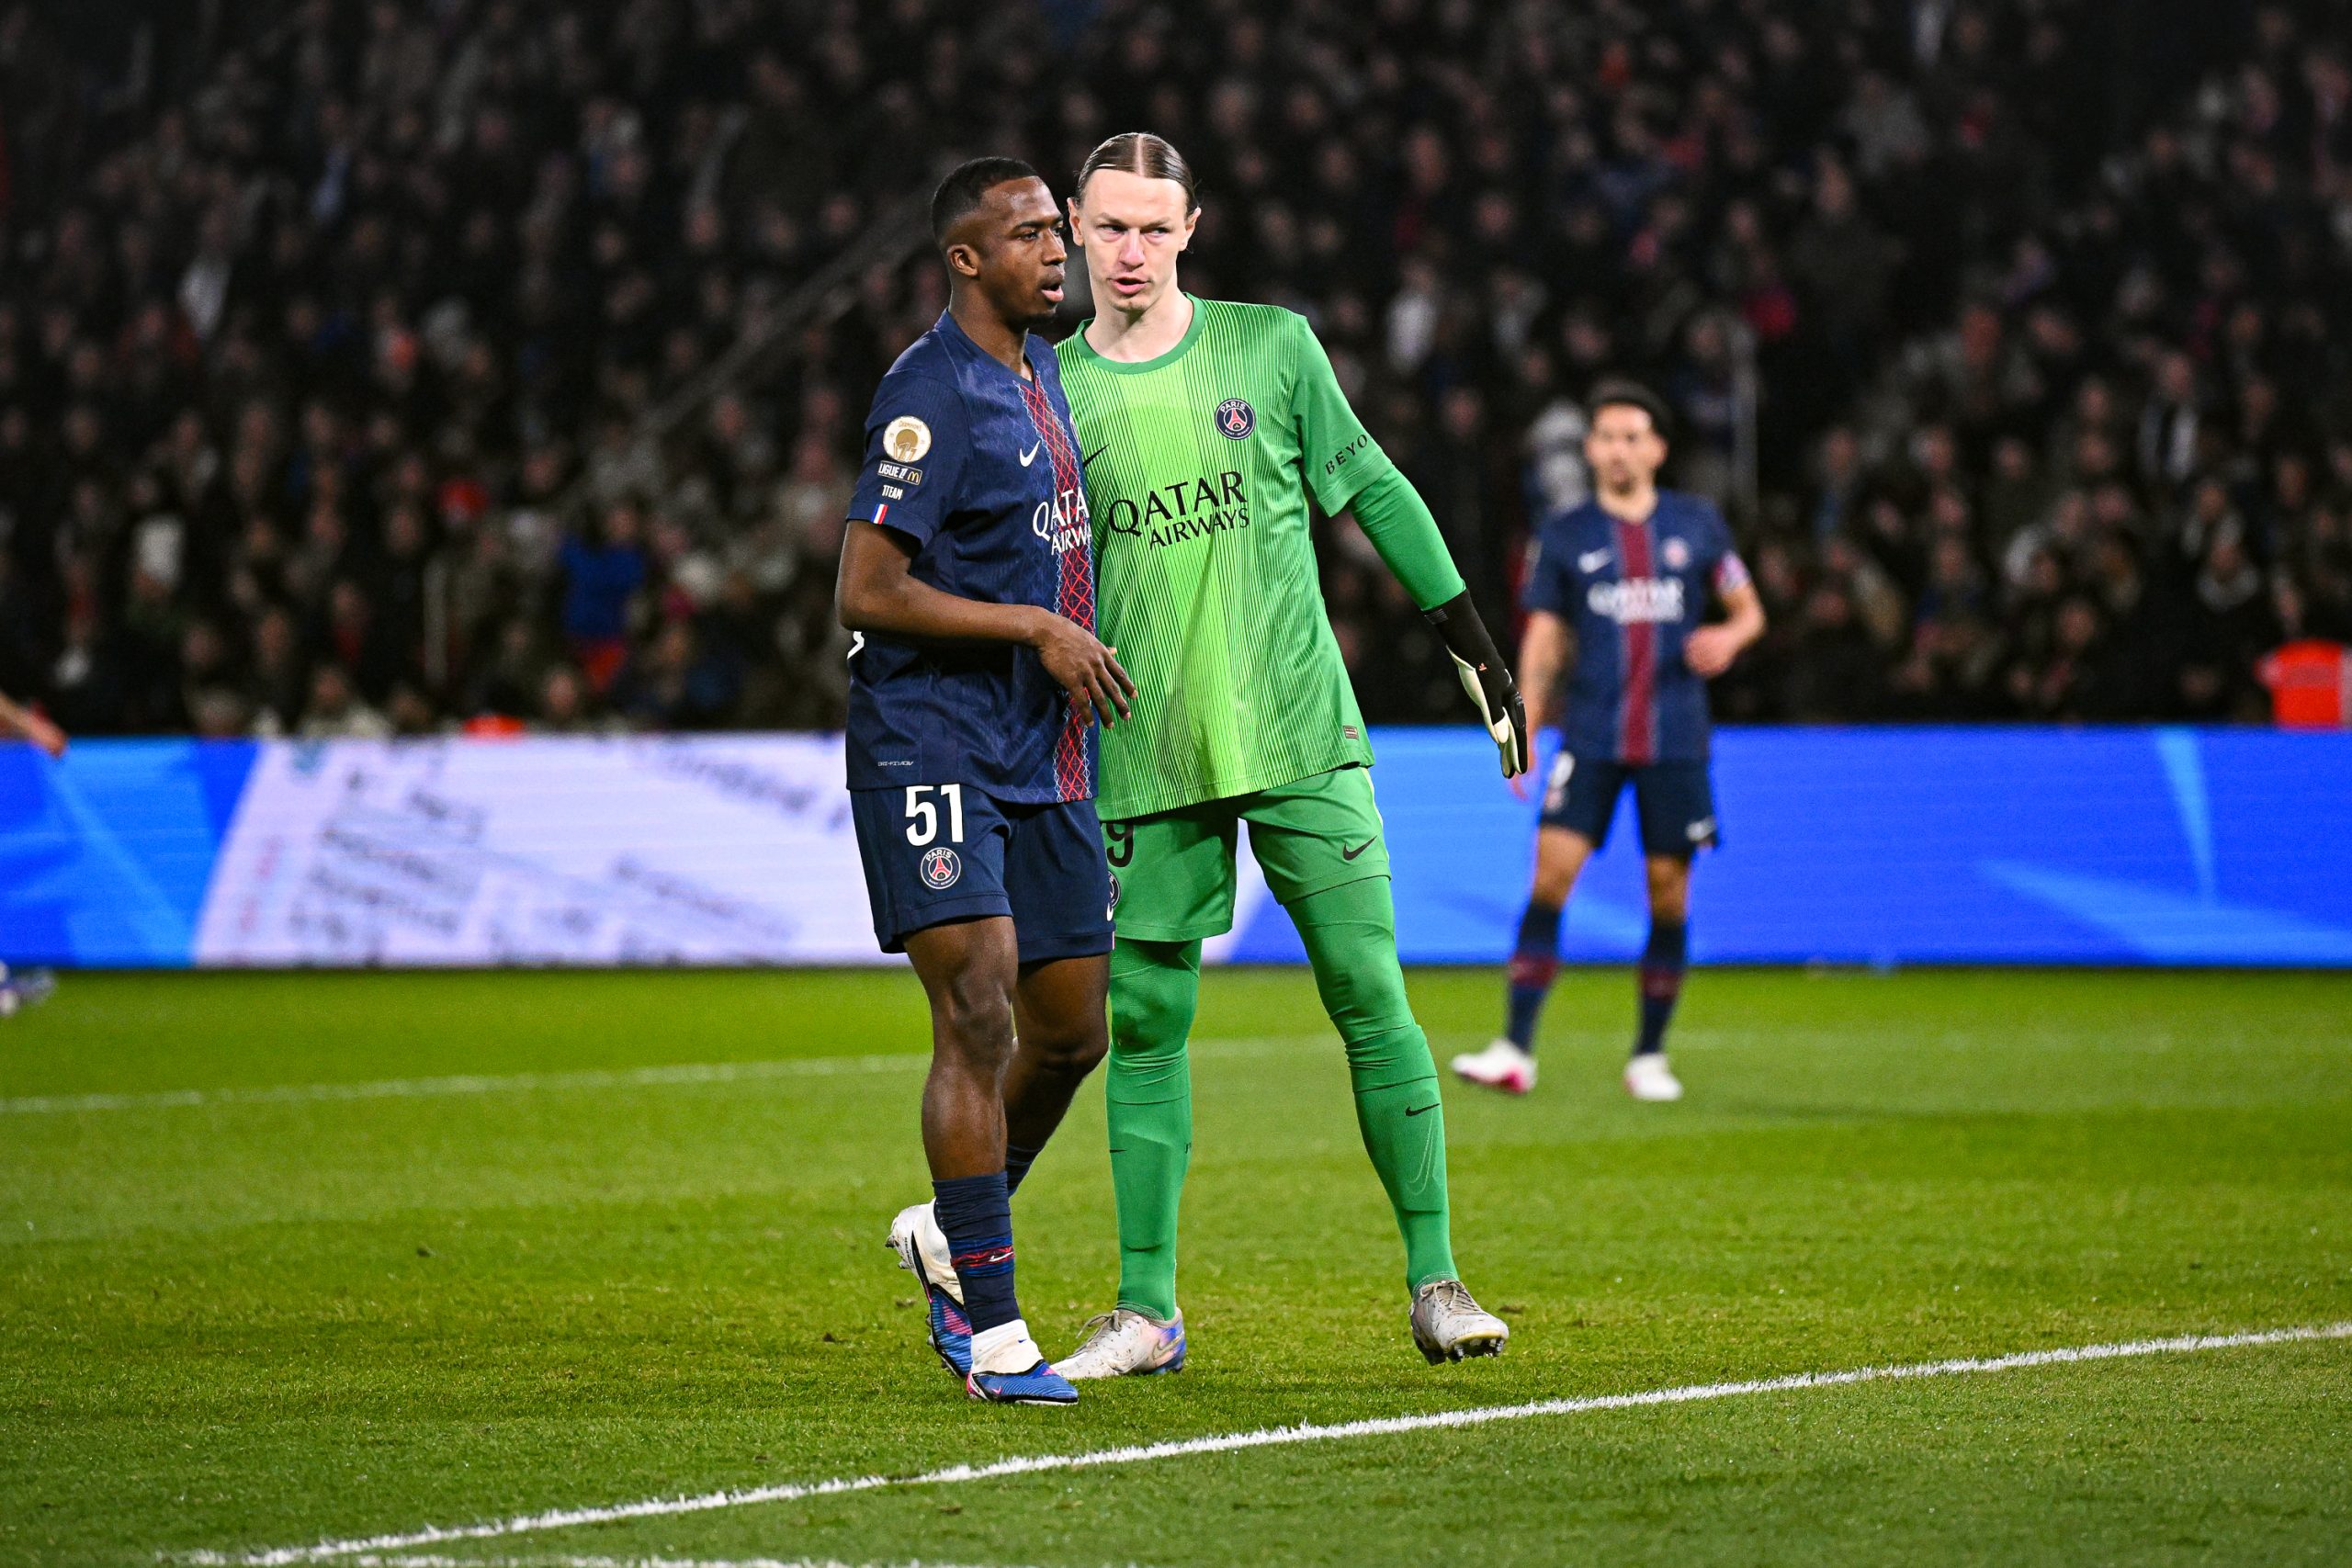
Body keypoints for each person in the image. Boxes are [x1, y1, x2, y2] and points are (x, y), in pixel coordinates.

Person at [1046, 133, 1530, 1380]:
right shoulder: (1044, 391)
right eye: (1111, 227)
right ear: (1075, 228)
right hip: (1142, 741)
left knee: (1369, 990)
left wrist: (1470, 640)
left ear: (1191, 229)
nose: (1132, 252)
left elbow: (1373, 488)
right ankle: (1145, 1310)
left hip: (1299, 726)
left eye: (1155, 228)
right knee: (1146, 1018)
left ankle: (1437, 1281)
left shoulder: (1271, 347)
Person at [836, 157, 1135, 1406]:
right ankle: (999, 1334)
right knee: (977, 1009)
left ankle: (953, 1231)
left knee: (1071, 1030)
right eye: (1028, 235)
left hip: (1043, 748)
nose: (1056, 250)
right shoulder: (930, 393)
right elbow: (866, 588)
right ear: (965, 259)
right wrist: (1034, 628)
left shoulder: (1044, 371)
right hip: (932, 736)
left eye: (1057, 229)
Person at [1453, 382, 1765, 1102]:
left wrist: (1729, 636)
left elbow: (1749, 610)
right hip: (1591, 733)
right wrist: (1522, 717)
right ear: (1589, 449)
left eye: (1632, 437)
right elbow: (1546, 636)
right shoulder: (1565, 535)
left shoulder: (1696, 524)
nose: (1619, 450)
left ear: (1657, 449)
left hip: (1675, 736)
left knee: (1668, 891)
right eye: (1607, 437)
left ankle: (1649, 1055)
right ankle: (1514, 1049)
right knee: (1550, 876)